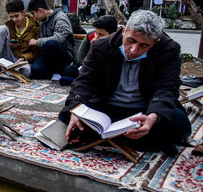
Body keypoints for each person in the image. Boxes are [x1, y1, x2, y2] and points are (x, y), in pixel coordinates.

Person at [58, 10, 191, 156]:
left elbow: (167, 87)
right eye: (131, 41)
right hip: (106, 107)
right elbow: (84, 82)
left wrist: (153, 117)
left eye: (144, 46)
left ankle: (108, 137)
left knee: (179, 123)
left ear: (155, 42)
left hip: (144, 109)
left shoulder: (168, 50)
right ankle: (142, 140)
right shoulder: (101, 47)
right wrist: (76, 110)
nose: (134, 51)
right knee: (67, 116)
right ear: (123, 31)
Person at [59, 15, 118, 85]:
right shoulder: (91, 36)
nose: (97, 37)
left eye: (101, 35)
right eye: (96, 33)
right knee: (68, 71)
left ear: (113, 35)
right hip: (87, 67)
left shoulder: (118, 43)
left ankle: (79, 82)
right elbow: (80, 58)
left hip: (104, 71)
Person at [0, 0, 40, 77]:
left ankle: (7, 70)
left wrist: (23, 58)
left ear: (23, 12)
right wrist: (10, 45)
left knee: (27, 72)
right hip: (10, 55)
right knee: (1, 29)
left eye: (16, 16)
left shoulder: (35, 27)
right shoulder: (10, 25)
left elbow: (35, 53)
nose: (14, 19)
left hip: (22, 60)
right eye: (12, 17)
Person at [27, 0, 74, 79]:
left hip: (63, 55)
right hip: (47, 56)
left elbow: (59, 38)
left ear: (40, 10)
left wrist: (37, 42)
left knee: (50, 44)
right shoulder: (43, 22)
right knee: (36, 69)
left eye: (34, 14)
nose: (34, 17)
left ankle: (60, 71)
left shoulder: (60, 18)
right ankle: (52, 74)